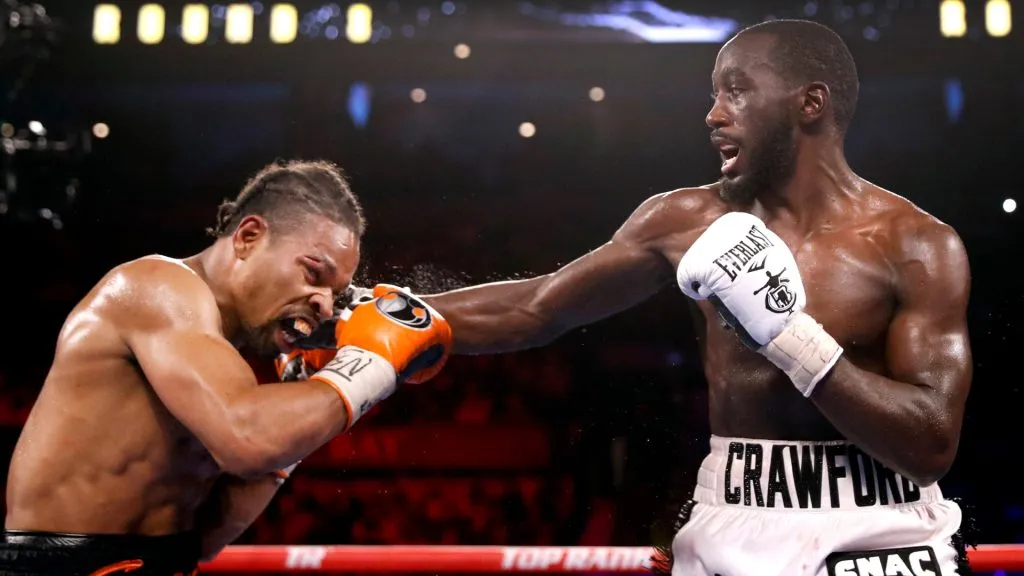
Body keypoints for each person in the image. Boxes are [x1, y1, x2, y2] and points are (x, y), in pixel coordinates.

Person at [294, 19, 973, 576]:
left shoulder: (915, 244)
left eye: (736, 91)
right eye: (714, 93)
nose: (713, 114)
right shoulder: (684, 220)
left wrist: (787, 333)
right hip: (736, 517)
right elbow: (538, 307)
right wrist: (355, 312)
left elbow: (930, 444)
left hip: (880, 533)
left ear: (810, 102)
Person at [2, 159, 452, 576]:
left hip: (166, 561)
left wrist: (300, 411)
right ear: (248, 237)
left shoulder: (217, 358)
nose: (323, 303)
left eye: (336, 293)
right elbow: (249, 439)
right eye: (314, 274)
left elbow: (208, 534)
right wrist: (368, 365)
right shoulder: (156, 289)